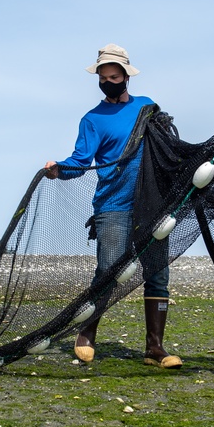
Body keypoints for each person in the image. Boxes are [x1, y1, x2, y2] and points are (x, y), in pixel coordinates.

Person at [43, 44, 181, 368]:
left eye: (114, 76)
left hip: (153, 205)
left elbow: (167, 146)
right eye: (103, 78)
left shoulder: (148, 108)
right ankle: (87, 332)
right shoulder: (92, 120)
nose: (108, 81)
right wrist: (58, 169)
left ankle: (155, 348)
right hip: (112, 205)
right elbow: (80, 161)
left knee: (158, 273)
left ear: (126, 77)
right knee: (108, 271)